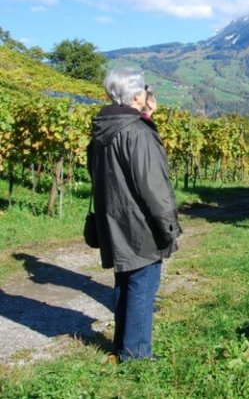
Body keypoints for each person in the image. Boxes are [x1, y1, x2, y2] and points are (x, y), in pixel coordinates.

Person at [87, 68, 181, 362]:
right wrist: (168, 226)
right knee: (143, 285)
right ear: (138, 95)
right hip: (140, 223)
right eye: (143, 92)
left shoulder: (102, 130)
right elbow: (154, 187)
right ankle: (137, 355)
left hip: (113, 219)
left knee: (125, 282)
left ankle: (122, 345)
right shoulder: (138, 133)